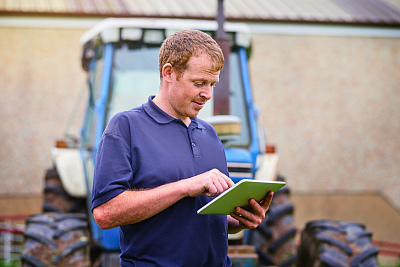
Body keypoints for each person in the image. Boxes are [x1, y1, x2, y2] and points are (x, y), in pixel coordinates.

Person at [91, 29, 274, 266]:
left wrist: (241, 219)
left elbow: (206, 217)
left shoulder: (209, 134)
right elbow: (105, 213)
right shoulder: (125, 127)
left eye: (212, 84)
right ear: (169, 73)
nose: (207, 94)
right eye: (199, 83)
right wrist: (186, 186)